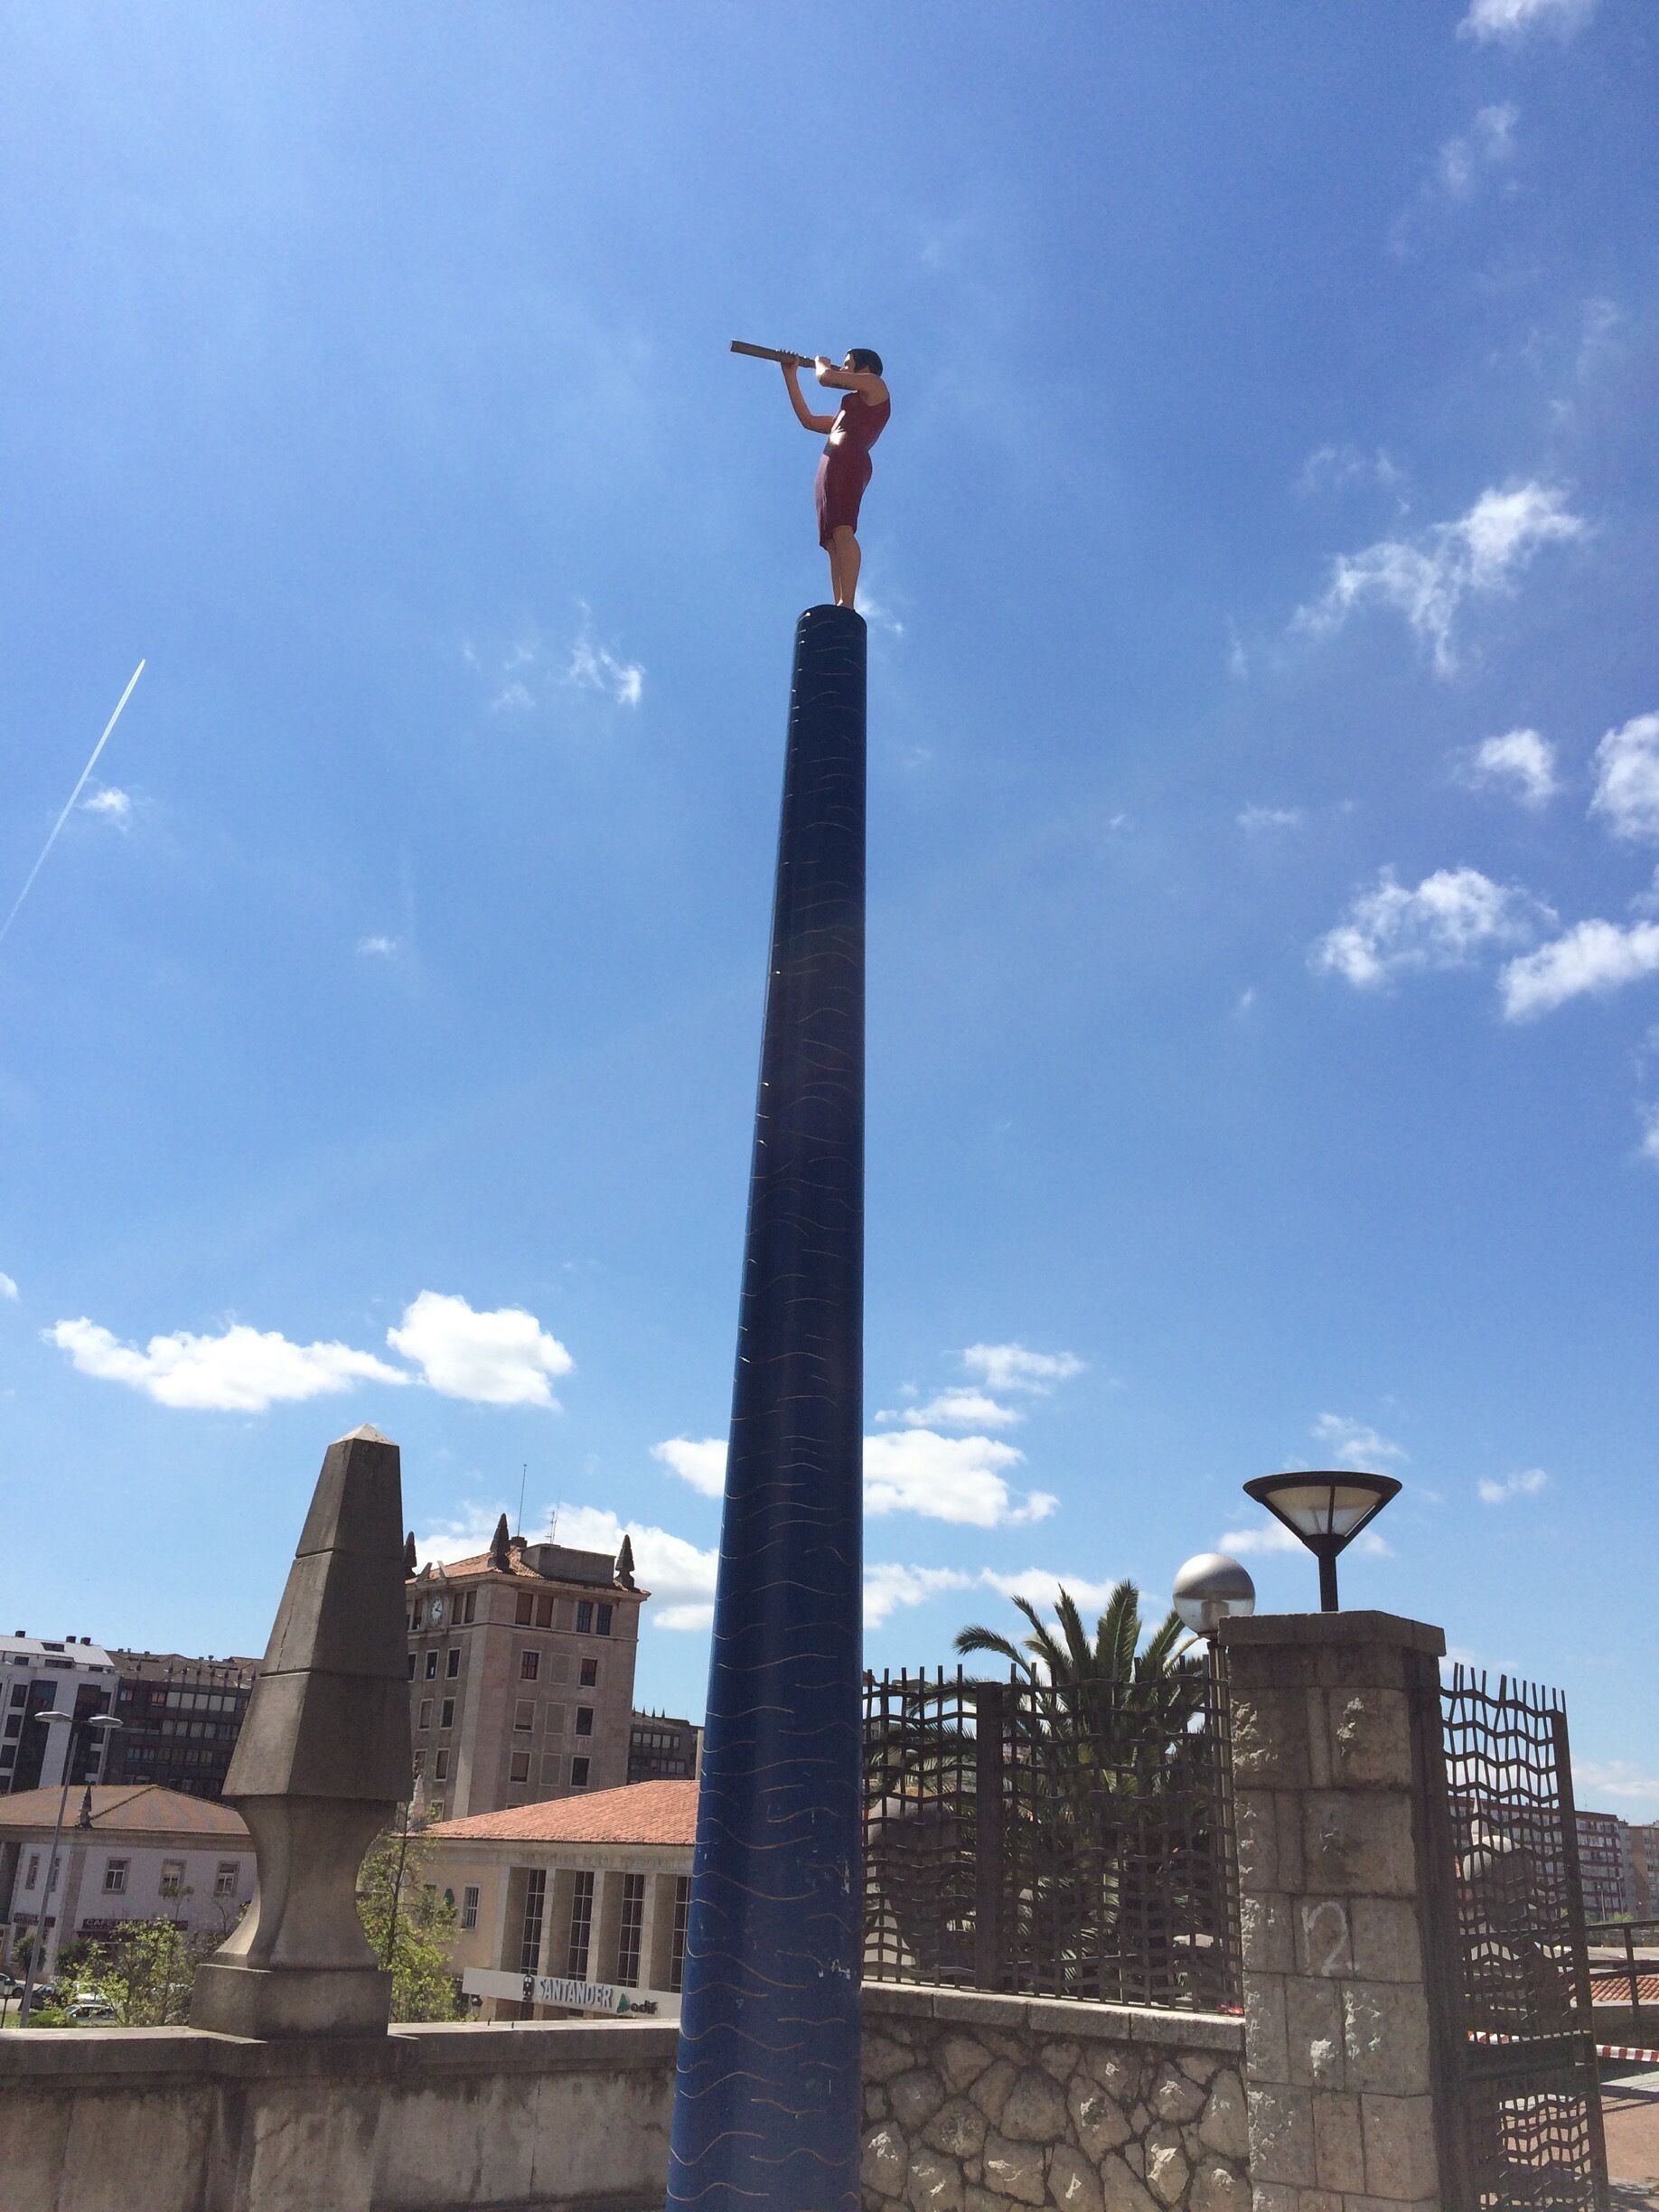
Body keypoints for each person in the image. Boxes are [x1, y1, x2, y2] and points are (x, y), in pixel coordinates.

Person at [782, 349, 890, 610]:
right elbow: (808, 420)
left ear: (864, 367)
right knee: (831, 538)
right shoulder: (846, 412)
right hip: (832, 459)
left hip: (849, 456)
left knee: (843, 527)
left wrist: (822, 367)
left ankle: (848, 602)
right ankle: (840, 601)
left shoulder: (875, 385)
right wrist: (790, 375)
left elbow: (826, 378)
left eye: (847, 364)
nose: (843, 368)